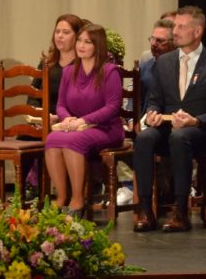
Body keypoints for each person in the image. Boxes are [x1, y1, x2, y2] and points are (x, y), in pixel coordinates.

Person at [132, 6, 206, 232]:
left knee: (180, 137)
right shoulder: (164, 62)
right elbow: (155, 100)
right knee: (145, 138)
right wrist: (152, 113)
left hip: (204, 132)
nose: (174, 31)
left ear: (197, 32)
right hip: (170, 128)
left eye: (181, 27)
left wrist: (196, 121)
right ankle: (146, 209)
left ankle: (181, 211)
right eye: (175, 26)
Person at [43, 23, 125, 216]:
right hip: (76, 126)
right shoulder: (68, 72)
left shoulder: (110, 71)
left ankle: (78, 199)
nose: (81, 45)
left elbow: (113, 107)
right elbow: (61, 104)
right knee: (53, 139)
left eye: (87, 42)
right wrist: (67, 118)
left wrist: (84, 120)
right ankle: (62, 197)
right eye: (79, 40)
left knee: (74, 141)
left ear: (98, 45)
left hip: (106, 128)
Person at [31, 14, 87, 123]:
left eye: (65, 32)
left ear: (77, 37)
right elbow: (32, 97)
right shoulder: (46, 63)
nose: (59, 36)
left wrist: (59, 118)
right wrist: (40, 114)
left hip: (70, 124)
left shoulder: (84, 65)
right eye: (57, 32)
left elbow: (85, 103)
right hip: (43, 123)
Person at [140, 18, 175, 107]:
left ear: (173, 44)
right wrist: (130, 120)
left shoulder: (180, 69)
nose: (154, 44)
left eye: (160, 41)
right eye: (152, 39)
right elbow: (136, 99)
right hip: (144, 118)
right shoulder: (144, 67)